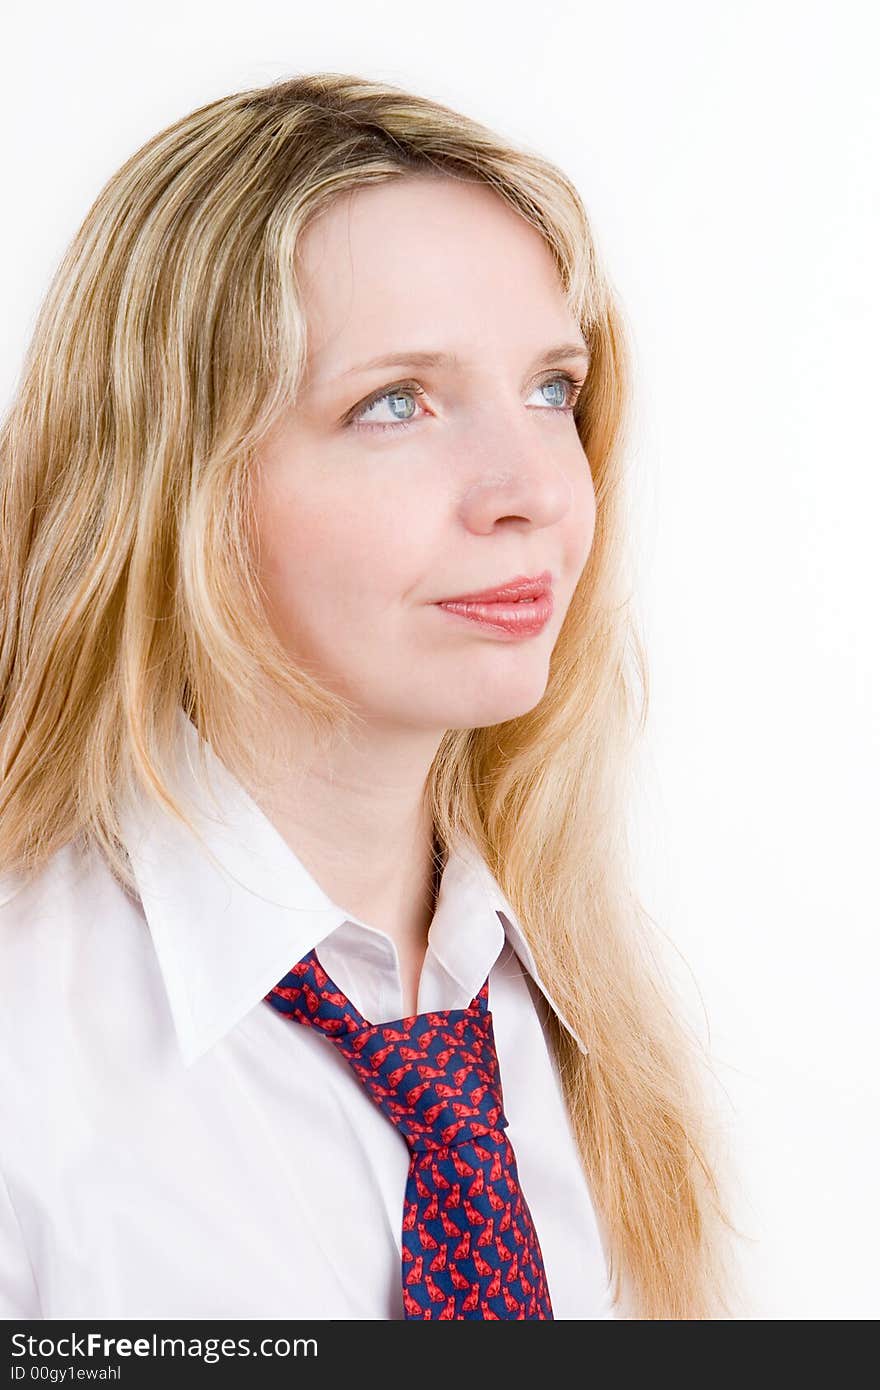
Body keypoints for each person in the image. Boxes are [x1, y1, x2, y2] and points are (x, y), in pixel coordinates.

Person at [0, 72, 733, 1320]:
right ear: (174, 480)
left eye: (551, 390)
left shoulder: (592, 1021)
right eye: (396, 402)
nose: (532, 492)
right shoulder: (32, 1054)